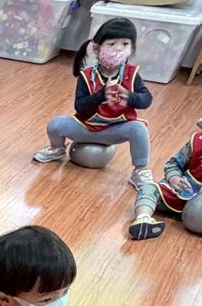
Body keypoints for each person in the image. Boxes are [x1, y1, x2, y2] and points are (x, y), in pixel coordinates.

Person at [33, 18, 153, 189]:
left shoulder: (132, 74)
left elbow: (146, 100)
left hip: (115, 131)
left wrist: (129, 97)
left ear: (131, 49)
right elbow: (80, 107)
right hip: (86, 128)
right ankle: (57, 149)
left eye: (125, 44)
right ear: (97, 49)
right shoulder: (86, 75)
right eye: (112, 44)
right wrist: (100, 95)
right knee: (56, 124)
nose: (119, 49)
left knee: (139, 129)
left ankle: (140, 170)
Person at [129, 112, 202, 240]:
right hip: (181, 192)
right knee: (148, 188)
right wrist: (174, 178)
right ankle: (143, 220)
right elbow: (173, 164)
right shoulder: (200, 140)